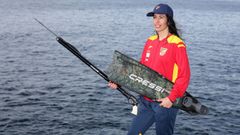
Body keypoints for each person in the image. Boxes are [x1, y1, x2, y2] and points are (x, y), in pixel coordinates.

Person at [108, 3, 190, 135]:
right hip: (146, 100)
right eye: (154, 17)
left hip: (165, 102)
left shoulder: (177, 44)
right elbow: (141, 70)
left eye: (161, 17)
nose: (156, 21)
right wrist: (119, 81)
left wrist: (171, 99)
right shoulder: (150, 41)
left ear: (168, 20)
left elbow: (184, 76)